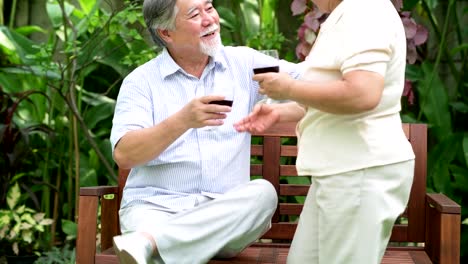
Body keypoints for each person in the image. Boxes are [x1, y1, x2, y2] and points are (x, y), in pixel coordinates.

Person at [109, 0, 301, 263]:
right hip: (155, 210)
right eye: (195, 14)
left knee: (263, 194)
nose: (209, 19)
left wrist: (285, 104)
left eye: (209, 8)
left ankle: (153, 243)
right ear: (166, 32)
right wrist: (182, 121)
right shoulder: (141, 83)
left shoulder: (245, 64)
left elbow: (306, 80)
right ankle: (166, 244)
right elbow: (125, 155)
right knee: (156, 245)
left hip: (224, 218)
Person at [234, 0, 416, 263]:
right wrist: (281, 112)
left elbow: (363, 94)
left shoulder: (365, 10)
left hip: (359, 170)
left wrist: (288, 89)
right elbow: (335, 93)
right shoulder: (346, 13)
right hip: (339, 172)